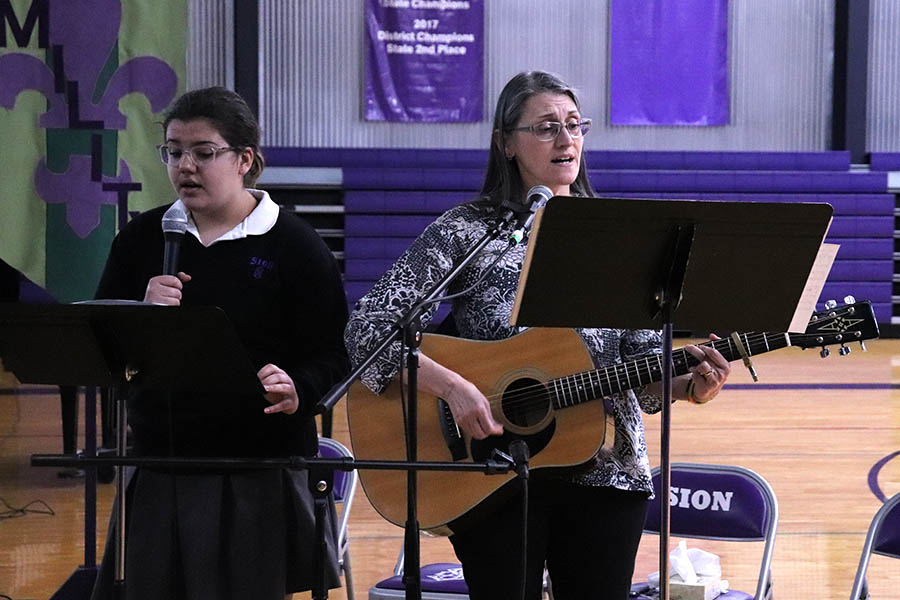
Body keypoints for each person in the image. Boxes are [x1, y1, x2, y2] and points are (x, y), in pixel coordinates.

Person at [344, 71, 731, 599]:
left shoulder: (617, 237)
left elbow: (642, 375)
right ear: (506, 142)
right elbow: (370, 327)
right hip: (493, 470)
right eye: (547, 127)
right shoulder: (469, 230)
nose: (566, 139)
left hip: (608, 472)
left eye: (574, 126)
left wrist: (689, 387)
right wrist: (454, 389)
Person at [90, 87, 350, 600]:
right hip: (162, 465)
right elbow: (103, 345)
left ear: (244, 160)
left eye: (203, 152)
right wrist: (138, 317)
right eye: (174, 150)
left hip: (257, 470)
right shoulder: (142, 239)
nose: (185, 166)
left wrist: (300, 386)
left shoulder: (295, 245)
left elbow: (336, 353)